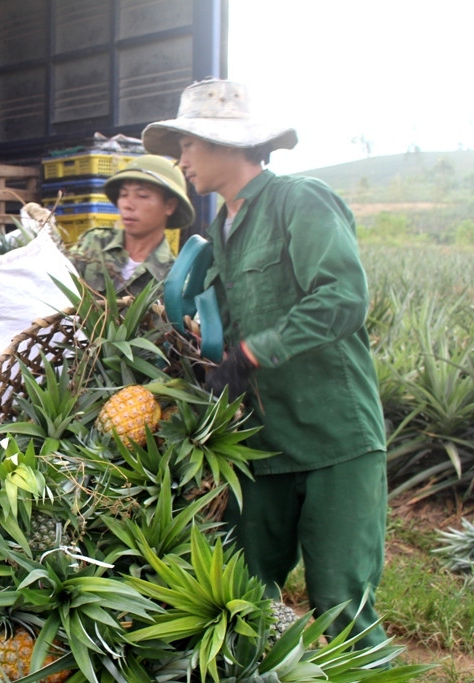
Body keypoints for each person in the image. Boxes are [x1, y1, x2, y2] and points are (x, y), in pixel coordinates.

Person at [142, 79, 388, 649]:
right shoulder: (221, 232)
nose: (181, 160)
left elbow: (342, 297)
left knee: (342, 608)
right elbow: (226, 325)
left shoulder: (300, 200)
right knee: (241, 601)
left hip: (334, 440)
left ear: (226, 142)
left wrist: (253, 353)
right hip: (265, 448)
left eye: (187, 146)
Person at [67, 154, 195, 297]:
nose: (127, 205)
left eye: (142, 196)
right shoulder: (95, 243)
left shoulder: (173, 279)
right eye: (123, 194)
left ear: (169, 205)